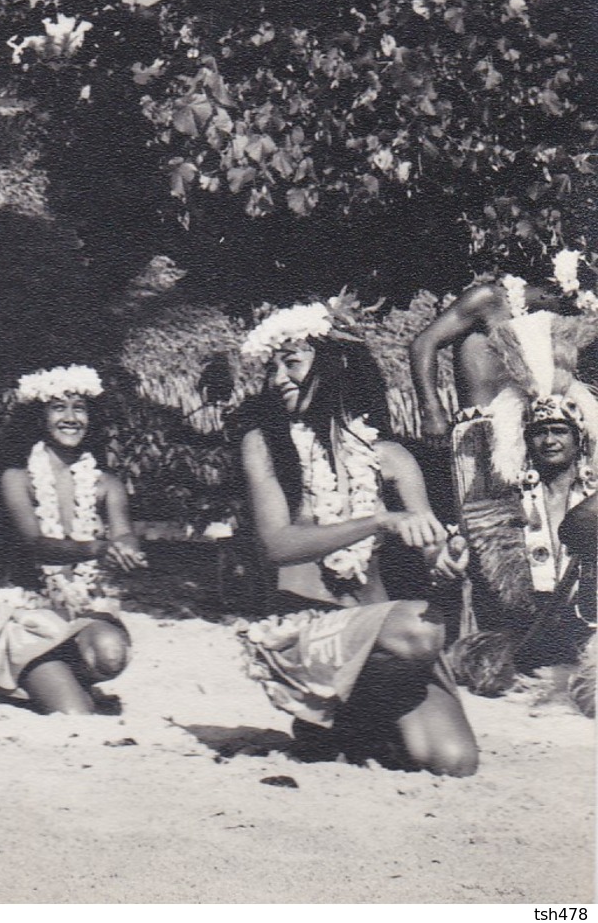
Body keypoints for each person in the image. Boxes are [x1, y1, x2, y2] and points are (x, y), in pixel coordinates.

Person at [236, 301, 478, 775]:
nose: (278, 378)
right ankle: (339, 715)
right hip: (308, 630)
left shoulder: (390, 456)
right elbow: (277, 546)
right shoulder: (266, 444)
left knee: (456, 761)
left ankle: (349, 725)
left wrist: (445, 555)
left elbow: (428, 542)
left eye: (292, 363)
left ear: (331, 367)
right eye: (272, 368)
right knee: (422, 631)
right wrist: (379, 521)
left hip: (381, 630)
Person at [411, 249, 598, 642]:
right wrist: (430, 408)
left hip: (538, 433)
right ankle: (482, 636)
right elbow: (423, 342)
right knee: (483, 537)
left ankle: (554, 628)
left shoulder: (579, 314)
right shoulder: (490, 300)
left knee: (538, 535)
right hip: (481, 437)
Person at [0, 366, 147, 715]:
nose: (71, 418)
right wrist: (98, 549)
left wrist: (127, 549)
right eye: (58, 407)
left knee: (111, 654)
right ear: (39, 417)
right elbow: (34, 544)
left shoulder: (106, 483)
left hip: (82, 610)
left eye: (80, 408)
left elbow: (123, 532)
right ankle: (30, 678)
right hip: (32, 614)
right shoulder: (17, 478)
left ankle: (61, 676)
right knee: (76, 715)